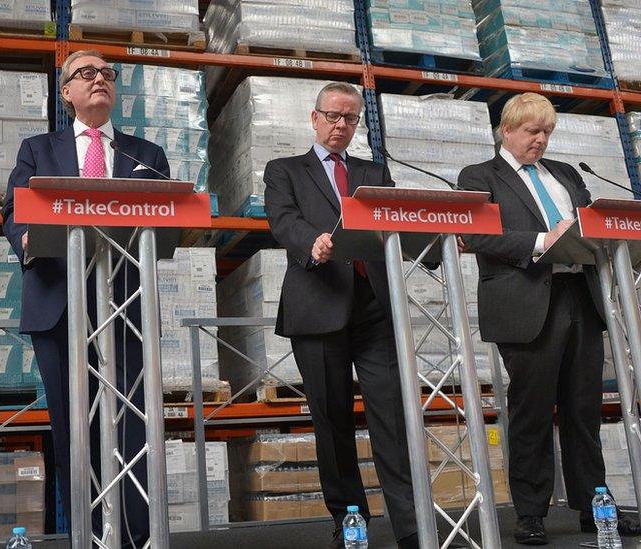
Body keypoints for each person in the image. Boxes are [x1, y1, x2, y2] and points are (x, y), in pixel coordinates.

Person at [1, 49, 169, 547]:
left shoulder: (147, 154)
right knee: (73, 429)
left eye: (107, 74)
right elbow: (14, 209)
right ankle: (89, 537)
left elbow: (163, 215)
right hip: (59, 305)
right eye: (86, 74)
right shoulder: (38, 149)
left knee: (132, 427)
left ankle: (136, 538)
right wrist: (28, 238)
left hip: (127, 309)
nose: (99, 80)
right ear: (67, 92)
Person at [459, 92, 640, 544]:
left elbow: (589, 225)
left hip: (580, 297)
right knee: (531, 411)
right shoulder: (480, 176)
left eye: (547, 133)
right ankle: (532, 512)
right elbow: (479, 235)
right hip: (525, 304)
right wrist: (543, 239)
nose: (540, 141)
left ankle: (594, 506)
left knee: (584, 411)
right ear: (507, 130)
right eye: (532, 132)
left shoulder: (564, 175)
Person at [263, 82, 419, 548]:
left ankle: (411, 524)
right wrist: (311, 241)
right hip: (318, 305)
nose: (341, 125)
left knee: (392, 415)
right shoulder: (284, 170)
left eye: (350, 118)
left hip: (374, 306)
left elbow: (397, 222)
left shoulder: (375, 172)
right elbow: (282, 219)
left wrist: (433, 245)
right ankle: (351, 519)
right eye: (333, 115)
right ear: (314, 118)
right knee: (332, 420)